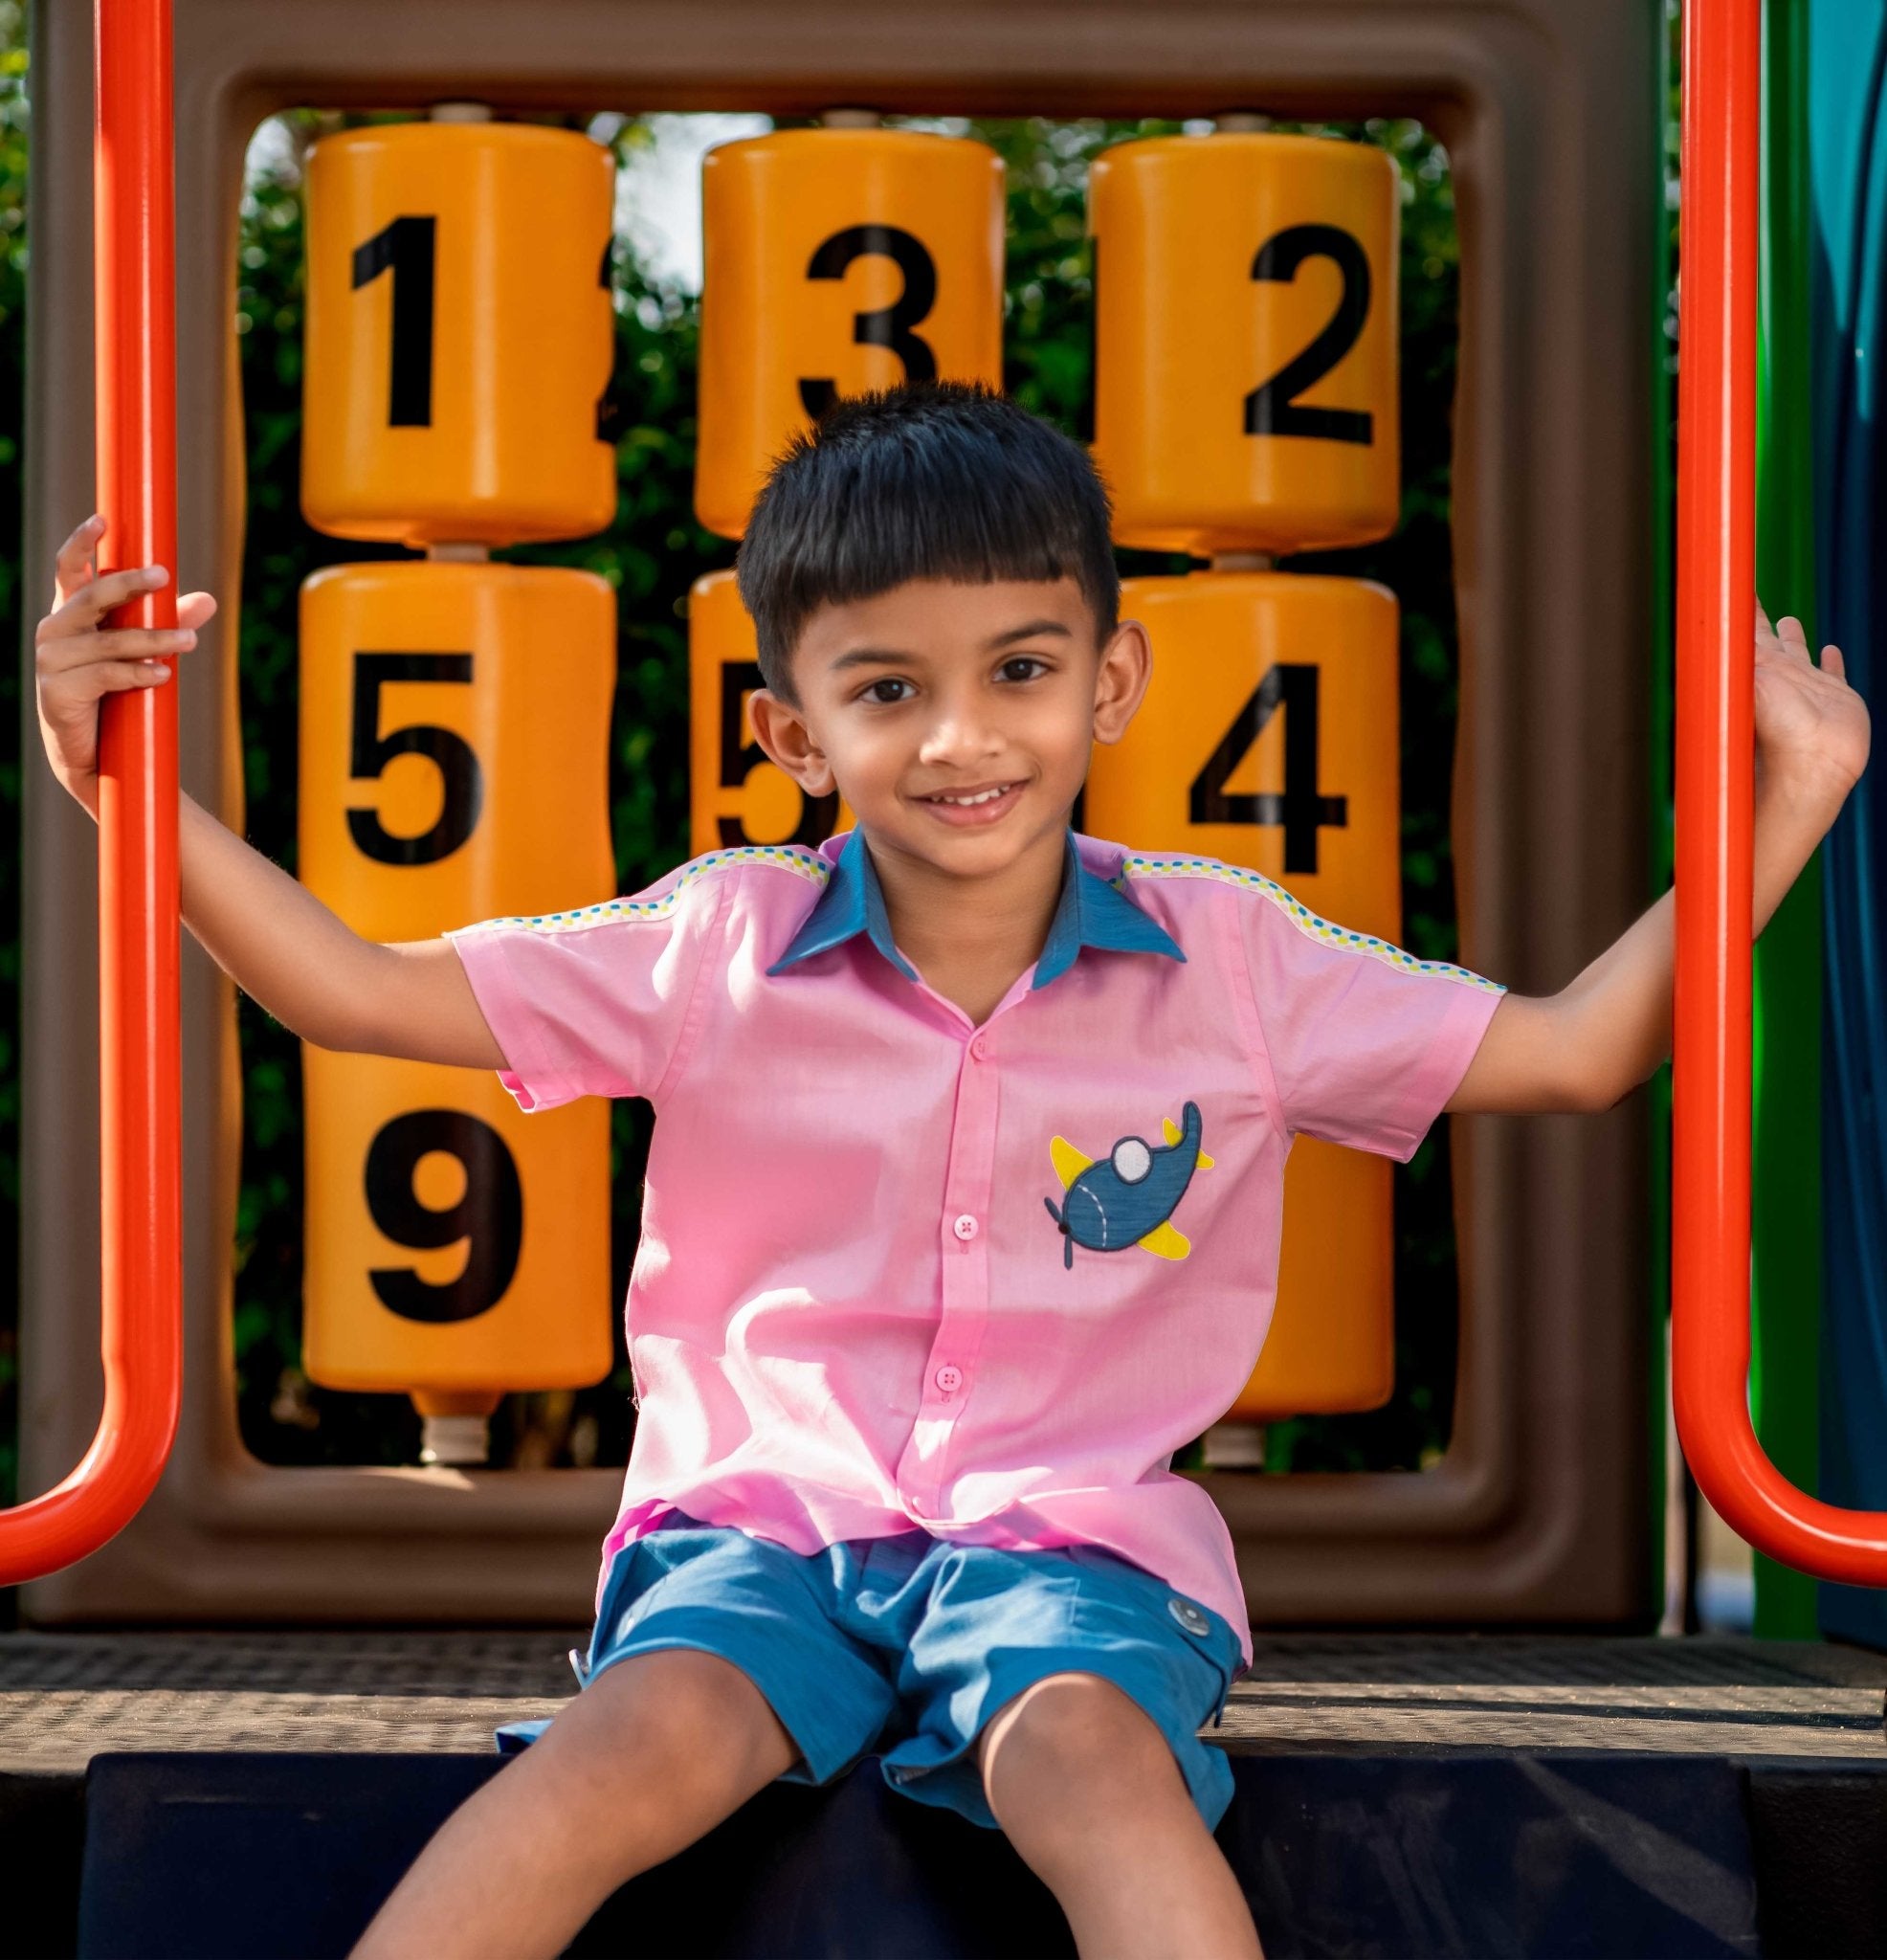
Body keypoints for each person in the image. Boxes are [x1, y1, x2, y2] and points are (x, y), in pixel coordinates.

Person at [35, 382, 1868, 1960]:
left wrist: (1783, 802)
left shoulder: (1226, 959)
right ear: (792, 732)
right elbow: (352, 991)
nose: (962, 736)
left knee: (1088, 1756)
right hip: (761, 1526)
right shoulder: (718, 948)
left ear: (1112, 678)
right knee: (638, 1738)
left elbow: (1576, 1047)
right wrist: (116, 779)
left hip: (1070, 1541)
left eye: (1020, 670)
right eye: (887, 688)